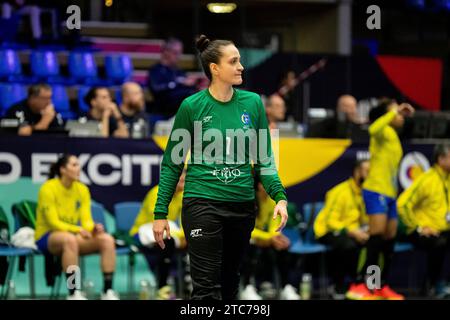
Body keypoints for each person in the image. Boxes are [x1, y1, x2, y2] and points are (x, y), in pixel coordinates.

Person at [152, 34, 288, 300]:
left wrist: (279, 197)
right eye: (234, 61)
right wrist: (160, 212)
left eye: (239, 61)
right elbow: (172, 163)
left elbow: (264, 159)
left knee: (229, 285)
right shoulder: (191, 106)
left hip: (242, 206)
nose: (241, 67)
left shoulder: (253, 103)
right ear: (215, 68)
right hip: (202, 203)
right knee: (206, 289)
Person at [350, 99, 414, 300]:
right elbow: (373, 127)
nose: (399, 116)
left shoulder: (393, 134)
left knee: (388, 241)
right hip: (375, 190)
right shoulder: (380, 131)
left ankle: (380, 285)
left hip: (390, 194)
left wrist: (401, 113)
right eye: (395, 113)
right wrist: (392, 112)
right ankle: (363, 284)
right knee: (375, 238)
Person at [34, 154, 119, 300]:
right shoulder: (48, 188)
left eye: (78, 164)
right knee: (70, 240)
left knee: (107, 239)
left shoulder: (82, 189)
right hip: (47, 236)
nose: (78, 168)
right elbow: (53, 222)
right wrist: (78, 230)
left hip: (71, 236)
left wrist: (92, 228)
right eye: (74, 165)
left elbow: (86, 219)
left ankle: (107, 291)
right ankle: (73, 293)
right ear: (62, 170)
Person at [397, 144, 450, 298]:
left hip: (443, 229)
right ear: (441, 159)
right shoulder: (427, 179)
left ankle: (444, 282)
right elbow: (402, 205)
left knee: (443, 239)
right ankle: (430, 286)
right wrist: (419, 227)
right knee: (438, 242)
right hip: (420, 231)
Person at [314, 159, 370, 300]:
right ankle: (337, 286)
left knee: (374, 243)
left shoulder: (364, 193)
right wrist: (352, 232)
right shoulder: (340, 191)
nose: (370, 175)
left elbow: (363, 219)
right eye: (367, 171)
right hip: (326, 231)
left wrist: (367, 231)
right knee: (347, 245)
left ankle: (366, 285)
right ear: (357, 172)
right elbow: (331, 221)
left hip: (352, 231)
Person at [129, 171, 186, 299]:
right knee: (166, 242)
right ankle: (163, 287)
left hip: (168, 230)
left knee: (186, 240)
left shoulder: (183, 196)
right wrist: (178, 234)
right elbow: (156, 221)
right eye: (180, 177)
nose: (183, 180)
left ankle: (184, 286)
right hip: (143, 230)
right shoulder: (157, 192)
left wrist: (184, 235)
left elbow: (185, 220)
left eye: (185, 178)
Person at [240, 181, 300, 300]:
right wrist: (268, 238)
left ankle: (285, 287)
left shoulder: (272, 200)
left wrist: (275, 237)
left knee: (281, 248)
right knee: (251, 248)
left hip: (264, 238)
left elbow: (274, 224)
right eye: (264, 183)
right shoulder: (246, 199)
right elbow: (246, 228)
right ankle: (247, 288)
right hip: (244, 237)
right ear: (257, 185)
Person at [148, 38, 197, 117]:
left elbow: (188, 88)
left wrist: (194, 85)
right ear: (166, 52)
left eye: (180, 53)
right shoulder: (156, 70)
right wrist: (177, 83)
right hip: (164, 110)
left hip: (181, 109)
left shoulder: (178, 71)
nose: (178, 56)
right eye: (175, 53)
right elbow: (156, 89)